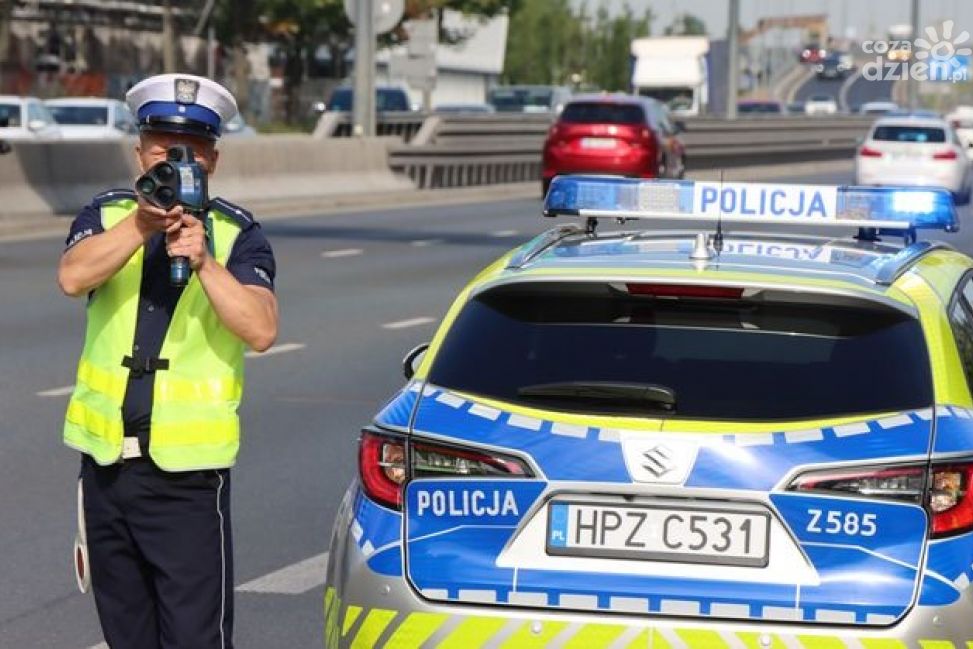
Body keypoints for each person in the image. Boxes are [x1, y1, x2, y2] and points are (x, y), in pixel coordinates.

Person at [57, 73, 278, 649]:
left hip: (186, 481)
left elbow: (261, 330)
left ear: (214, 161)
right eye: (163, 151)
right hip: (106, 468)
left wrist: (205, 264)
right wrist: (139, 225)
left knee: (193, 640)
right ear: (139, 154)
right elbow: (72, 276)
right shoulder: (107, 216)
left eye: (193, 155)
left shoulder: (237, 234)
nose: (177, 165)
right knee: (125, 636)